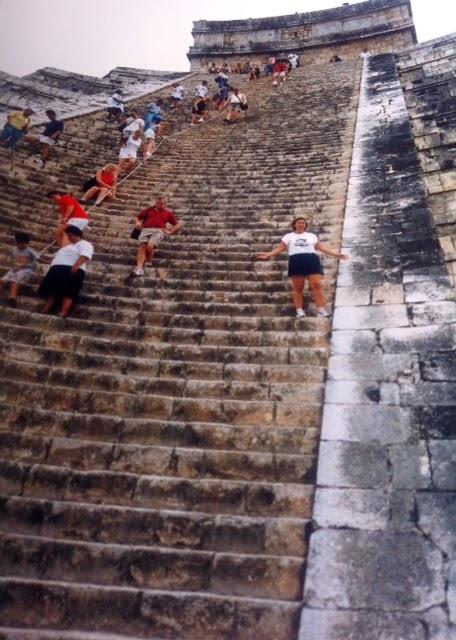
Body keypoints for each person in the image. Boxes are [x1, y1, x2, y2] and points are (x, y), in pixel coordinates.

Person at [256, 216, 349, 318]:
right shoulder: (288, 236)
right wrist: (269, 254)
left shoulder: (311, 236)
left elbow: (321, 247)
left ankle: (321, 309)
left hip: (311, 259)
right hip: (296, 261)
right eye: (299, 222)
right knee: (298, 288)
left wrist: (336, 255)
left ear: (305, 225)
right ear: (295, 224)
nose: (301, 224)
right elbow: (280, 248)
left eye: (303, 223)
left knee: (317, 285)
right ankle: (299, 310)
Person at [39, 224, 93, 318]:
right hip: (57, 269)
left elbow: (85, 255)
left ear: (78, 235)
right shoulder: (67, 246)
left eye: (71, 235)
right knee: (52, 290)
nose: (69, 237)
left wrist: (76, 266)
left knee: (69, 292)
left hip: (70, 269)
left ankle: (63, 311)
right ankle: (46, 309)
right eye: (68, 235)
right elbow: (57, 235)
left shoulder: (84, 243)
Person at [132, 197, 181, 276]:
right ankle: (139, 268)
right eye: (158, 203)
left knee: (150, 245)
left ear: (165, 204)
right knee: (142, 246)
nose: (159, 205)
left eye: (161, 203)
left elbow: (177, 224)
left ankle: (148, 259)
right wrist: (137, 223)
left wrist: (170, 231)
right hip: (145, 229)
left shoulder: (168, 213)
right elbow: (138, 217)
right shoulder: (149, 210)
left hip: (158, 231)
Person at [0, 232, 38, 304]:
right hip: (15, 269)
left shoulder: (30, 251)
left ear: (27, 243)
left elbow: (36, 263)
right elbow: (12, 260)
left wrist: (26, 264)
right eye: (19, 243)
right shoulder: (14, 250)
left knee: (15, 281)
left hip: (26, 270)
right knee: (2, 280)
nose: (21, 245)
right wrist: (15, 264)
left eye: (23, 244)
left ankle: (12, 298)